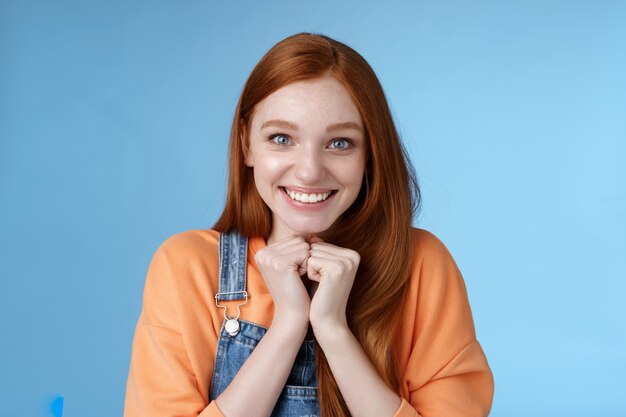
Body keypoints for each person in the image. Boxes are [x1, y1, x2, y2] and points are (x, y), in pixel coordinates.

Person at [124, 33, 494, 417]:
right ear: (247, 144)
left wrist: (333, 330)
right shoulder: (187, 266)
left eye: (339, 143)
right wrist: (288, 326)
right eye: (282, 138)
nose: (309, 171)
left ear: (370, 154)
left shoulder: (420, 265)